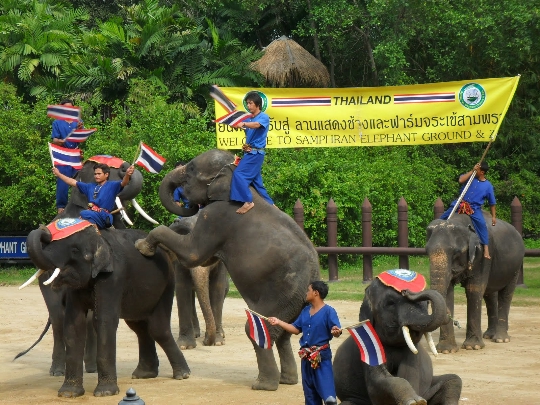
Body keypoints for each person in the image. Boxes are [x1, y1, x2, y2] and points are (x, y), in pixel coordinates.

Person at [268, 281, 341, 405]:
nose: (306, 293)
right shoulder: (306, 311)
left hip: (321, 358)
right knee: (310, 393)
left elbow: (336, 330)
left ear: (316, 293)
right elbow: (296, 329)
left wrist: (335, 331)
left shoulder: (329, 311)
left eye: (308, 290)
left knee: (328, 394)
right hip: (306, 357)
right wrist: (278, 322)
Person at [440, 161, 496, 259]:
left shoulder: (488, 186)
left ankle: (486, 249)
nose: (475, 170)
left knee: (482, 224)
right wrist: (472, 170)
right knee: (443, 218)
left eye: (477, 169)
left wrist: (494, 216)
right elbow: (460, 180)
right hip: (460, 204)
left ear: (482, 172)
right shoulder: (470, 178)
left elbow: (492, 203)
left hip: (474, 208)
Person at [52, 163, 135, 229]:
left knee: (84, 213)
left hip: (104, 217)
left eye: (99, 174)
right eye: (95, 174)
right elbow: (72, 182)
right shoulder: (90, 186)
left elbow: (124, 183)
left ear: (106, 175)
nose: (96, 176)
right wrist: (59, 174)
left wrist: (127, 174)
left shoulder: (113, 185)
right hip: (90, 214)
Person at [230, 91, 274, 214]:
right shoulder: (248, 118)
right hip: (249, 152)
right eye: (247, 103)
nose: (248, 106)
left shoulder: (263, 117)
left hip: (256, 154)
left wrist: (243, 123)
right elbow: (243, 126)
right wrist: (234, 125)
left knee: (239, 174)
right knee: (257, 184)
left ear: (257, 104)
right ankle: (272, 206)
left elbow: (256, 125)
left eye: (250, 103)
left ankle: (247, 201)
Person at [51, 99, 84, 214]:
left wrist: (79, 130)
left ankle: (81, 207)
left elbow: (82, 139)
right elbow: (54, 139)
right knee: (62, 182)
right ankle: (61, 208)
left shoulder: (78, 121)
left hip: (75, 155)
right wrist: (62, 141)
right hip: (63, 155)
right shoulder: (57, 122)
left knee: (80, 180)